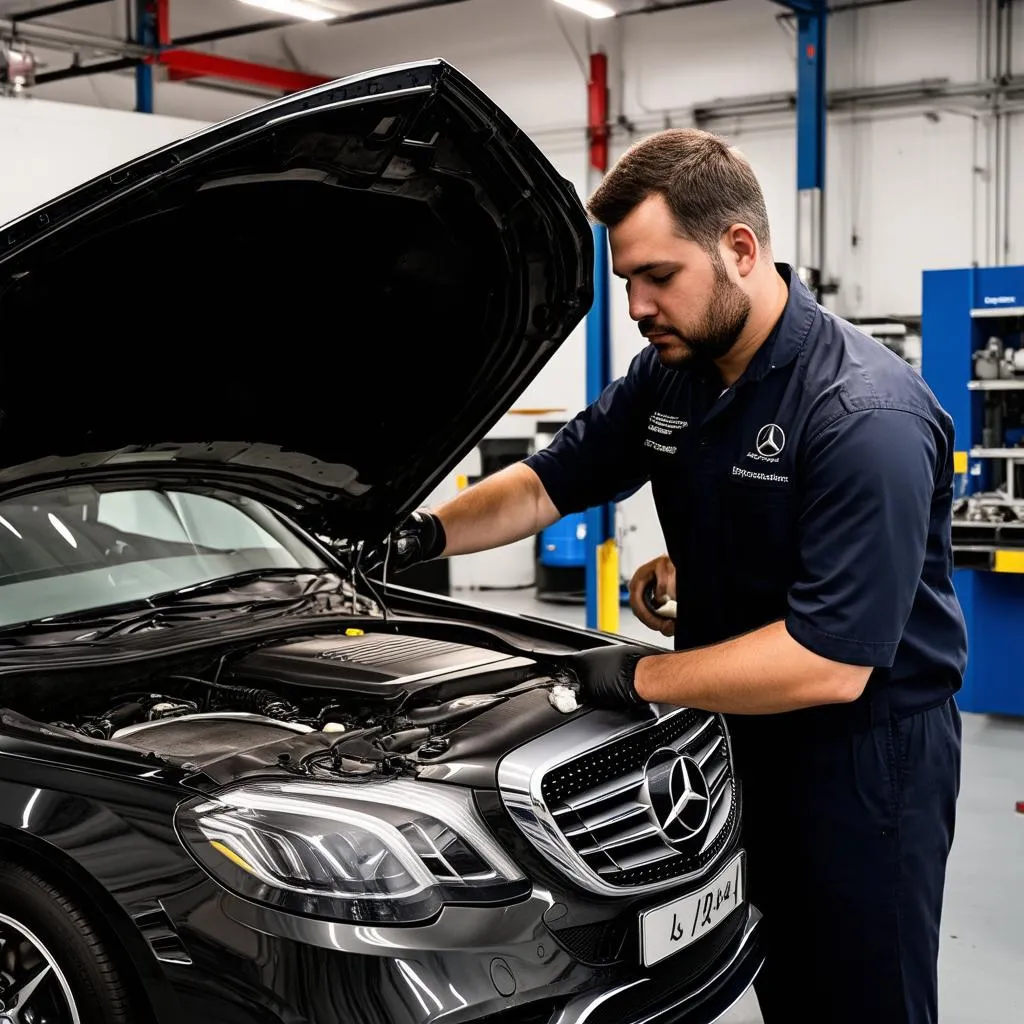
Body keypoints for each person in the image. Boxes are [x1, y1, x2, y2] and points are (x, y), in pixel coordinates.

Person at [386, 128, 966, 1024]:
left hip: (860, 758)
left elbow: (830, 658)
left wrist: (629, 675)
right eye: (628, 283)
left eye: (659, 276)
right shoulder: (673, 376)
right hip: (735, 737)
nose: (641, 306)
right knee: (773, 973)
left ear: (739, 249)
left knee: (861, 994)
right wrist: (417, 536)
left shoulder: (863, 414)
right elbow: (546, 483)